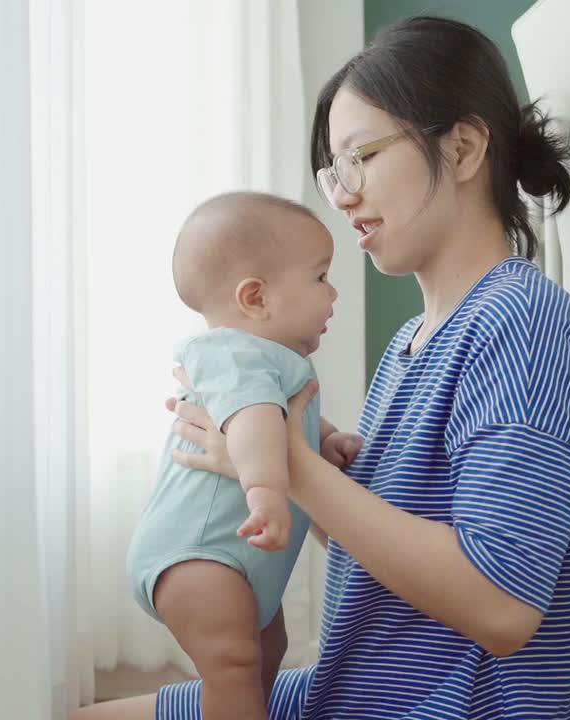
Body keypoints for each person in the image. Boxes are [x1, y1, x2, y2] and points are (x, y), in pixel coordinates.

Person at [74, 16, 570, 720]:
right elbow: (383, 543)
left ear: (464, 146)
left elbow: (503, 603)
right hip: (353, 687)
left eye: (362, 157)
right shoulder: (414, 342)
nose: (345, 196)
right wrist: (277, 465)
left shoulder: (520, 324)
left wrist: (293, 470)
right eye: (335, 172)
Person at [125, 191, 362, 720]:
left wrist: (324, 441)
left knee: (264, 655)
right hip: (198, 555)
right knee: (232, 663)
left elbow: (283, 423)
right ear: (255, 298)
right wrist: (265, 491)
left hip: (233, 561)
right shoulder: (234, 352)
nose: (334, 293)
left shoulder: (270, 361)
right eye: (320, 277)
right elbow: (254, 425)